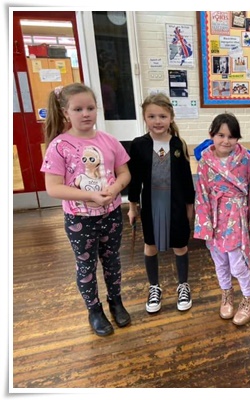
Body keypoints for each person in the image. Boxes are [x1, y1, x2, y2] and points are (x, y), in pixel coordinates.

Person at [40, 83, 131, 337]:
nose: (86, 114)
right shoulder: (59, 146)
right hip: (79, 219)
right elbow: (53, 188)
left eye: (90, 108)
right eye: (78, 109)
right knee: (86, 266)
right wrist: (89, 195)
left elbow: (124, 173)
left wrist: (115, 189)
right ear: (65, 112)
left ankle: (116, 301)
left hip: (111, 215)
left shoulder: (109, 141)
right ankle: (94, 310)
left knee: (112, 261)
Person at [127, 93, 195, 314]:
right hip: (151, 205)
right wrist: (132, 206)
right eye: (152, 116)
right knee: (151, 245)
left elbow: (186, 179)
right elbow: (134, 179)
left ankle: (183, 285)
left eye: (163, 116)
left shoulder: (178, 144)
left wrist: (190, 206)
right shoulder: (138, 145)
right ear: (144, 118)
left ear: (171, 117)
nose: (157, 121)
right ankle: (154, 287)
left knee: (180, 245)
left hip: (176, 205)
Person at [194, 113, 250, 326]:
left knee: (238, 263)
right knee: (220, 261)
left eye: (231, 136)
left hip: (235, 215)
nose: (226, 141)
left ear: (237, 138)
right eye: (221, 135)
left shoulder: (246, 159)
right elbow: (201, 194)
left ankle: (249, 299)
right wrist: (204, 225)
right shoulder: (204, 162)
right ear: (211, 135)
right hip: (213, 215)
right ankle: (227, 294)